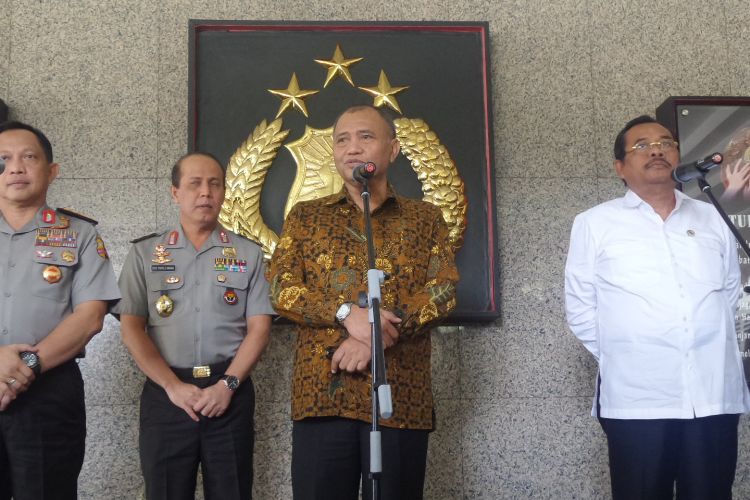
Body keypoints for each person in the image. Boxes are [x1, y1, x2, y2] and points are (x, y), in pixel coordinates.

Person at [268, 104, 459, 500]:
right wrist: (345, 315)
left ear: (393, 150)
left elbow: (443, 290)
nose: (352, 148)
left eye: (365, 137)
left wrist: (377, 334)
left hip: (400, 399)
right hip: (323, 395)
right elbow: (282, 289)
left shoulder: (426, 218)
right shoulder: (305, 217)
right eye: (342, 139)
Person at [565, 115, 750, 500]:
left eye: (666, 143)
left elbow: (729, 292)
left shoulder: (711, 217)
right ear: (620, 167)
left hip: (712, 395)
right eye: (642, 145)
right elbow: (581, 307)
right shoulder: (595, 223)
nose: (657, 150)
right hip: (638, 401)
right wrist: (627, 354)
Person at [116, 152, 273, 500]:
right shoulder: (146, 254)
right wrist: (172, 386)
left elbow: (260, 328)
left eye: (214, 184)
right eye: (195, 184)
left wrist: (228, 385)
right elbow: (131, 328)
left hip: (229, 392)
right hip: (166, 393)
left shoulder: (248, 254)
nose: (206, 193)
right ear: (175, 193)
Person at [0, 121, 120, 499]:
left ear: (51, 171)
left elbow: (90, 318)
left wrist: (23, 371)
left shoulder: (80, 234)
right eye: (3, 160)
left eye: (28, 157)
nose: (16, 168)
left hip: (48, 393)